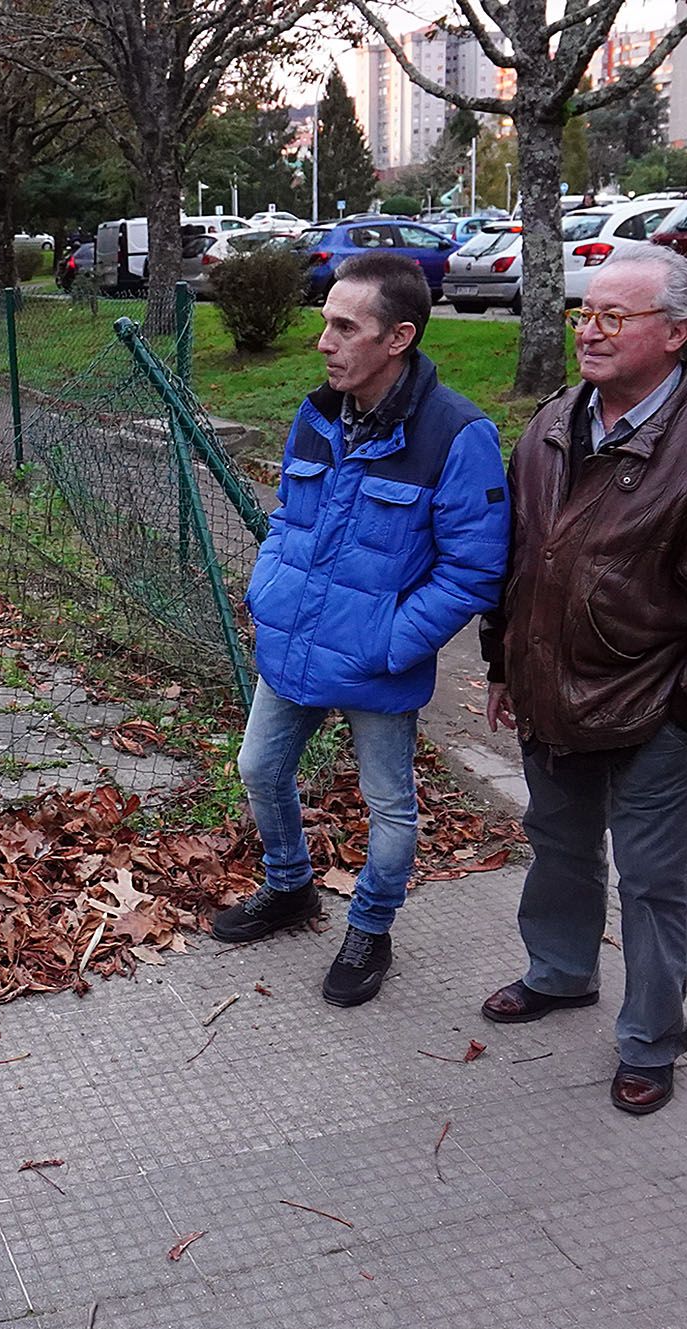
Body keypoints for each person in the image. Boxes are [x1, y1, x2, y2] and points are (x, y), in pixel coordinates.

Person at [478, 248, 687, 1116]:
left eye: (614, 317)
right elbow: (515, 562)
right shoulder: (554, 421)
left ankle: (650, 1038)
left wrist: (683, 704)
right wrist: (502, 660)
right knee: (556, 844)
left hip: (654, 712)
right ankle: (558, 972)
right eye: (585, 312)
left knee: (655, 882)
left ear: (677, 334)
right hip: (551, 689)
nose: (590, 329)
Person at [210, 251, 510, 1006]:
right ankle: (291, 889)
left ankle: (371, 927)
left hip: (376, 661)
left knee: (390, 807)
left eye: (345, 327)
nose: (324, 341)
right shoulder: (316, 415)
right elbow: (287, 522)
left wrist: (390, 640)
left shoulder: (455, 434)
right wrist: (267, 586)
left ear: (398, 337)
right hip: (295, 645)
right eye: (324, 322)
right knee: (258, 769)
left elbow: (473, 571)